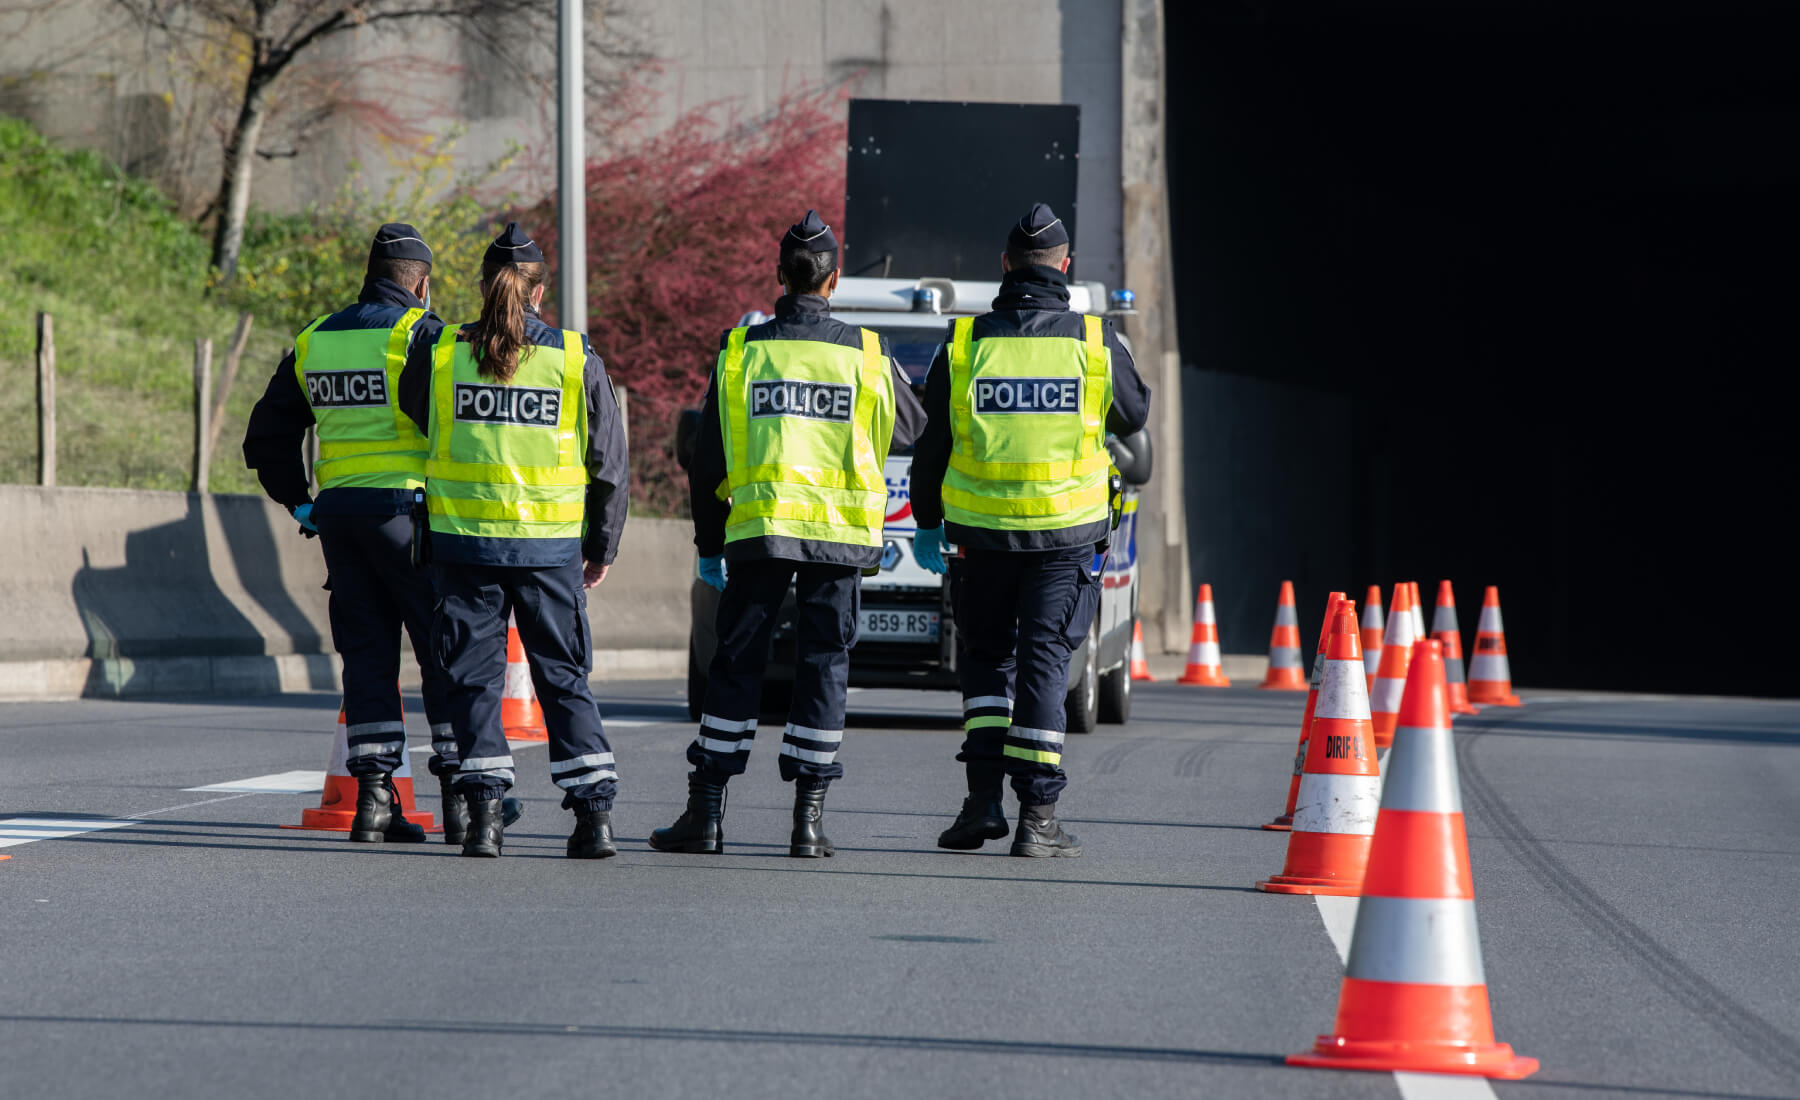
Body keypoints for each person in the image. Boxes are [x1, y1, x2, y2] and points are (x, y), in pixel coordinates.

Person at [653, 210, 926, 858]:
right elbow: (911, 430)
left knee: (736, 665)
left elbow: (708, 457)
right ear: (833, 280)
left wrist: (709, 544)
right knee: (823, 666)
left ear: (778, 277)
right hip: (837, 538)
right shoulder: (865, 352)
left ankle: (707, 813)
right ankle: (807, 821)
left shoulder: (743, 352)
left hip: (759, 531)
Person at [243, 222, 519, 845]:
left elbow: (265, 438)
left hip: (341, 520)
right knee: (444, 656)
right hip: (414, 519)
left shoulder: (315, 341)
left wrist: (300, 502)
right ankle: (458, 801)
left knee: (367, 658)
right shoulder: (424, 336)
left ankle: (372, 801)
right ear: (420, 284)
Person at [908, 203, 1152, 858]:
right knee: (1044, 663)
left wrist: (928, 524)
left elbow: (931, 449)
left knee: (987, 661)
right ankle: (1037, 819)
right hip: (1064, 537)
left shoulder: (964, 344)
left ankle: (982, 800)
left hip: (979, 535)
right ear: (1064, 268)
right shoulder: (1094, 343)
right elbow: (1134, 415)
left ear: (1005, 265)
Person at [396, 222, 629, 859]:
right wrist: (601, 545)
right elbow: (608, 463)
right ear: (541, 291)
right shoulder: (576, 358)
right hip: (550, 550)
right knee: (563, 678)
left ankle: (486, 820)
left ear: (481, 286)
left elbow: (417, 412)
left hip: (464, 545)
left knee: (473, 680)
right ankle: (593, 821)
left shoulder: (440, 349)